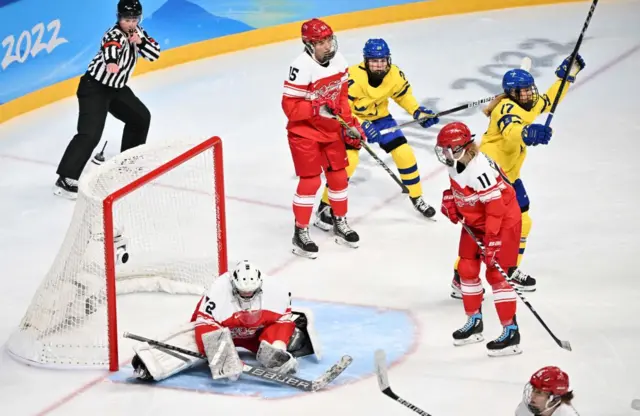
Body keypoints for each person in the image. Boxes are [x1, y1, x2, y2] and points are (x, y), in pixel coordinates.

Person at [450, 54, 586, 296]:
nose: (529, 94)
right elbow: (511, 129)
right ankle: (462, 277)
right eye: (523, 91)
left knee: (523, 222)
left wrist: (566, 76)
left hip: (509, 175)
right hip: (489, 176)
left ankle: (509, 269)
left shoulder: (528, 101)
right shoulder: (505, 107)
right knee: (482, 232)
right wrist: (528, 133)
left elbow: (549, 101)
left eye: (530, 90)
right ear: (512, 93)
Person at [314, 38, 438, 231]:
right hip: (350, 123)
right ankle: (325, 206)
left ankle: (417, 196)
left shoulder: (394, 74)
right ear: (366, 61)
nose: (379, 65)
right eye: (374, 61)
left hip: (381, 119)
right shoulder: (353, 77)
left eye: (382, 60)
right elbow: (341, 107)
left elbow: (403, 95)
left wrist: (416, 111)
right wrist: (360, 125)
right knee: (348, 162)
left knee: (404, 153)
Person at [131, 260, 320, 382]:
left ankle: (274, 349)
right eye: (242, 291)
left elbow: (283, 321)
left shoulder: (277, 289)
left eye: (251, 291)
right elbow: (204, 324)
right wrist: (221, 356)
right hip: (223, 329)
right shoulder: (218, 290)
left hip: (257, 329)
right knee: (189, 346)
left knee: (296, 339)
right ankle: (148, 363)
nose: (247, 295)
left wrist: (279, 345)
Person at [54, 0, 161, 199]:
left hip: (117, 89)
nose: (130, 23)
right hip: (94, 88)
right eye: (127, 19)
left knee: (140, 117)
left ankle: (127, 164)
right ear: (119, 18)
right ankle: (65, 178)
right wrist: (111, 62)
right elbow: (110, 47)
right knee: (90, 134)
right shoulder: (114, 34)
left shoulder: (139, 33)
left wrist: (141, 42)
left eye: (134, 19)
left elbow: (155, 54)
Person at [282, 18, 365, 259]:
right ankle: (301, 232)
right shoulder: (300, 67)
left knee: (339, 177)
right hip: (303, 133)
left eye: (329, 39)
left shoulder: (340, 62)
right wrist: (316, 109)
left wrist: (350, 125)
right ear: (309, 45)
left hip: (330, 131)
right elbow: (290, 108)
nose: (328, 46)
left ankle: (338, 220)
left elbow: (341, 99)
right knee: (310, 182)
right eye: (321, 42)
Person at [436, 121, 521, 357]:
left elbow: (495, 208)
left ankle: (510, 331)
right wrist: (451, 201)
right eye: (442, 148)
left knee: (496, 275)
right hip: (476, 222)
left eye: (447, 148)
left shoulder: (480, 169)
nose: (443, 153)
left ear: (461, 146)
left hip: (502, 223)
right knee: (466, 268)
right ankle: (474, 322)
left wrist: (493, 241)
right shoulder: (456, 161)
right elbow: (458, 188)